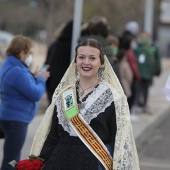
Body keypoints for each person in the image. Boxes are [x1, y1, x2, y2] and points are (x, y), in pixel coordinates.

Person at [30, 39, 140, 170]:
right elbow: (53, 135)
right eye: (81, 57)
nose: (86, 62)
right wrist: (38, 163)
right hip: (59, 161)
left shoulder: (113, 97)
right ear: (75, 61)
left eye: (92, 58)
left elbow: (119, 141)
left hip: (94, 163)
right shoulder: (65, 94)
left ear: (102, 63)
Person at [0, 35, 50, 170]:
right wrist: (41, 79)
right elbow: (35, 93)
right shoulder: (17, 71)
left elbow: (20, 85)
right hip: (16, 121)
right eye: (30, 53)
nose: (31, 56)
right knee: (11, 160)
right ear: (22, 53)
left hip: (9, 117)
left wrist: (32, 76)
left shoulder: (10, 65)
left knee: (13, 158)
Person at [44, 20, 73, 104]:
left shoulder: (55, 45)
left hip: (52, 85)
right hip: (67, 87)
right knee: (69, 112)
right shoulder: (73, 46)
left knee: (53, 111)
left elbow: (46, 64)